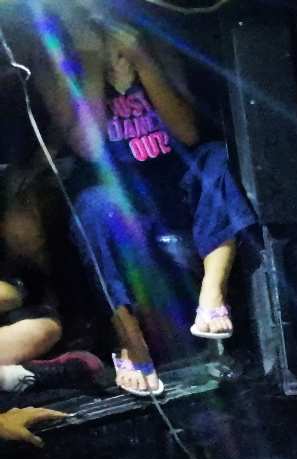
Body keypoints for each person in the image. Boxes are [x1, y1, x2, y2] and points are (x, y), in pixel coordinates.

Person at [31, 5, 258, 392]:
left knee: (214, 159)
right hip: (116, 188)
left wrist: (142, 60)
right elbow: (88, 146)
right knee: (93, 206)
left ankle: (212, 296)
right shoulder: (55, 55)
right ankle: (129, 339)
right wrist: (91, 64)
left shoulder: (151, 39)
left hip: (170, 180)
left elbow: (187, 133)